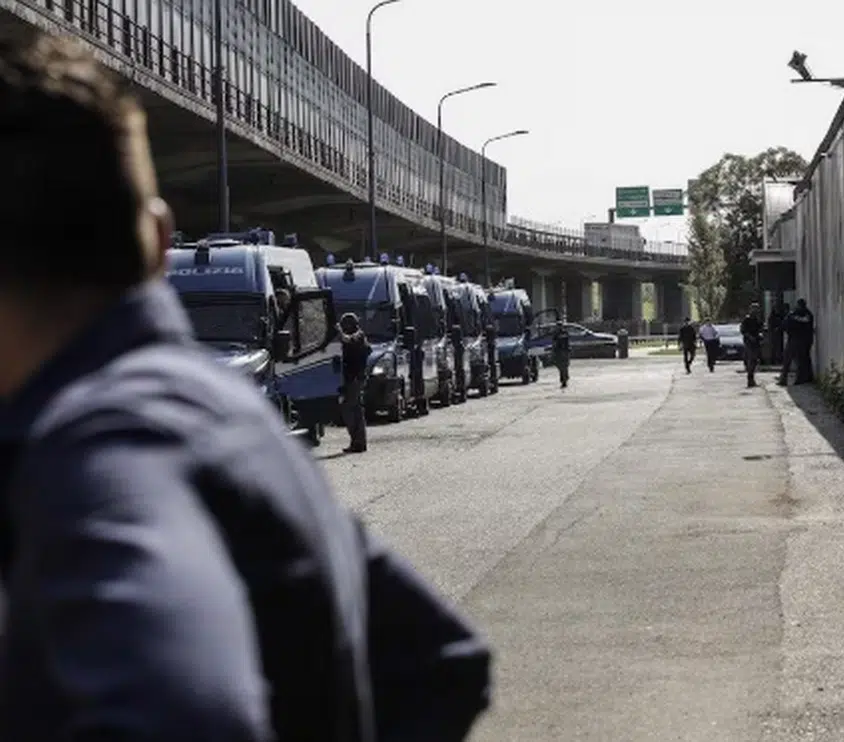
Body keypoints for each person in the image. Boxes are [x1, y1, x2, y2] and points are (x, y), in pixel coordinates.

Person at [0, 31, 490, 741]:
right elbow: (435, 661)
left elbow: (186, 717)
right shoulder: (234, 417)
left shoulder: (98, 456)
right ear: (161, 238)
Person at [339, 312, 371, 453]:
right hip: (352, 378)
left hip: (356, 379)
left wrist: (339, 332)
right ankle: (357, 442)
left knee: (350, 409)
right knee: (355, 409)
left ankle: (358, 441)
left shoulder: (359, 335)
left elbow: (348, 340)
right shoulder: (359, 336)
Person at [779, 299, 816, 386]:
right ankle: (802, 378)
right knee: (802, 360)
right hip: (802, 340)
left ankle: (792, 379)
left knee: (793, 360)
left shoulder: (798, 315)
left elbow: (785, 325)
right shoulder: (803, 314)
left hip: (797, 340)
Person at [740, 303, 764, 387]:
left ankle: (751, 379)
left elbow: (761, 328)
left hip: (756, 341)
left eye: (757, 309)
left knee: (755, 360)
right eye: (754, 309)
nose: (755, 311)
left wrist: (760, 335)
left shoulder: (758, 319)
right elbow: (743, 331)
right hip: (749, 342)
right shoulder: (747, 319)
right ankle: (750, 379)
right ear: (750, 309)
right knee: (751, 359)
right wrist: (750, 337)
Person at [552, 319, 571, 389]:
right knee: (563, 366)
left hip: (561, 352)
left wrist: (553, 351)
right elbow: (568, 342)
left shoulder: (556, 334)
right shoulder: (565, 332)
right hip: (564, 352)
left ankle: (564, 380)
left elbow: (554, 344)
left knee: (562, 366)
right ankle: (565, 378)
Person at [767, 301, 787, 366]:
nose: (776, 310)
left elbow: (783, 323)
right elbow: (770, 324)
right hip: (774, 334)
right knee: (774, 347)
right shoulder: (772, 316)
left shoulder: (780, 316)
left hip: (779, 333)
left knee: (779, 347)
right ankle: (773, 360)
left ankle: (779, 360)